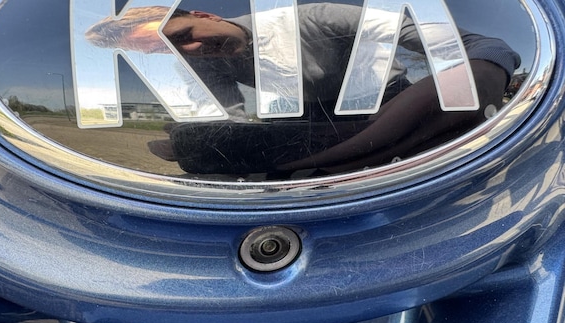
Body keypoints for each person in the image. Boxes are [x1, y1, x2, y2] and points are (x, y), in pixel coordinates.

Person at [86, 3, 521, 175]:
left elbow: (452, 42)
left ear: (205, 14)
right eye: (169, 51)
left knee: (420, 115)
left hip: (390, 101)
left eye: (182, 35)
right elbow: (228, 120)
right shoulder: (201, 65)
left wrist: (485, 68)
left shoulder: (316, 18)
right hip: (309, 118)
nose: (193, 51)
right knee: (204, 142)